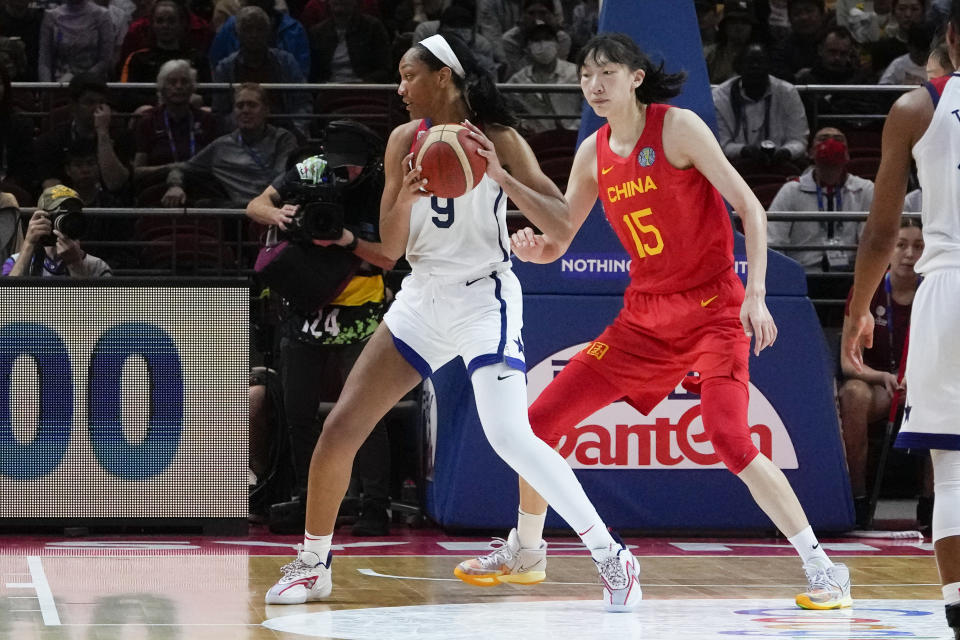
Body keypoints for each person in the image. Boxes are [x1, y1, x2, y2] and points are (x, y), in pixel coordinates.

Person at [455, 32, 852, 611]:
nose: (594, 84)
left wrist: (757, 293)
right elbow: (562, 235)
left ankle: (824, 568)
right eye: (587, 75)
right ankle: (528, 550)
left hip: (715, 308)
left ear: (635, 77)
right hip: (644, 319)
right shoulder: (592, 152)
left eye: (607, 73)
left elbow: (750, 207)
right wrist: (524, 220)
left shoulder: (677, 128)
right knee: (536, 424)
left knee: (729, 437)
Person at [264, 33, 642, 610]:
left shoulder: (499, 138)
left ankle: (613, 557)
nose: (400, 88)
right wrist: (407, 196)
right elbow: (390, 251)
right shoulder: (400, 140)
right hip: (422, 297)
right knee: (340, 426)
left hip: (482, 296)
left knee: (511, 434)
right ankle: (314, 564)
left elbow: (564, 228)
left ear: (443, 76)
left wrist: (501, 176)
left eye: (408, 76)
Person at [844, 3, 960, 636]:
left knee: (953, 471)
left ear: (948, 39)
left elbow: (884, 230)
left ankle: (959, 601)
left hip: (948, 286)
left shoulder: (917, 108)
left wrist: (860, 309)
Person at [246, 122, 397, 536]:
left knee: (366, 411)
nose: (340, 173)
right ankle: (308, 498)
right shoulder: (311, 168)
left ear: (367, 164)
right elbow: (254, 205)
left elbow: (388, 258)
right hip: (305, 305)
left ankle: (374, 504)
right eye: (335, 165)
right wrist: (278, 213)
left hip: (361, 310)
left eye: (348, 168)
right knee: (298, 412)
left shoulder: (385, 183)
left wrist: (346, 240)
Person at [839, 219, 923, 526]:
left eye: (918, 246)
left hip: (923, 388)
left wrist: (920, 379)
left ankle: (930, 506)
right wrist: (882, 377)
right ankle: (856, 499)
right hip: (881, 387)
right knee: (853, 393)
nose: (909, 254)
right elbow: (850, 364)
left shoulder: (936, 292)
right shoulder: (866, 291)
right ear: (888, 250)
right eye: (901, 245)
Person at [162, 83, 297, 207]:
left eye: (252, 105)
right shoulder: (221, 146)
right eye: (240, 106)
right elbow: (182, 168)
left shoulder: (283, 139)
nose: (245, 110)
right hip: (240, 213)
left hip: (274, 207)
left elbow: (283, 176)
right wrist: (175, 185)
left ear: (266, 110)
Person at [767, 127, 876, 273]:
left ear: (847, 154)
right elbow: (773, 240)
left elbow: (870, 242)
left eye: (838, 140)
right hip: (803, 273)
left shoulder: (865, 189)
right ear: (811, 153)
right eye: (823, 139)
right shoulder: (792, 190)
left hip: (850, 276)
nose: (831, 143)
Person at [712, 42, 809, 173]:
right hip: (735, 168)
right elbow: (720, 144)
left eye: (760, 62)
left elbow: (799, 140)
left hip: (782, 164)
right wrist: (744, 151)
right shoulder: (718, 97)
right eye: (750, 63)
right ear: (738, 67)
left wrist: (786, 151)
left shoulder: (787, 92)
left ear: (770, 66)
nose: (755, 67)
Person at [214, 6, 310, 137]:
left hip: (283, 132)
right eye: (248, 29)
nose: (254, 35)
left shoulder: (286, 61)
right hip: (239, 135)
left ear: (268, 32)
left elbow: (302, 102)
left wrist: (296, 130)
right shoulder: (225, 68)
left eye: (259, 29)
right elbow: (220, 112)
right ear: (237, 34)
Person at [33, 74, 131, 194]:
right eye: (89, 103)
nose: (97, 109)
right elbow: (51, 187)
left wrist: (103, 133)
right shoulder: (51, 141)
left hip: (111, 207)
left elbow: (115, 183)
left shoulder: (121, 136)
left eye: (101, 103)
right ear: (73, 106)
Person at [132, 59, 218, 194]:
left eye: (184, 82)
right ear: (162, 88)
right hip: (158, 190)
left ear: (192, 88)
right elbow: (138, 171)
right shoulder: (148, 121)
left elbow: (217, 165)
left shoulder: (207, 120)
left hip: (200, 191)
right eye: (172, 82)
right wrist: (171, 168)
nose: (179, 86)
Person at [3, 185, 112, 277]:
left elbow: (97, 302)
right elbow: (6, 300)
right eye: (58, 214)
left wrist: (75, 265)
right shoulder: (16, 261)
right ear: (41, 218)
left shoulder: (97, 266)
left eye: (72, 215)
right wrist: (29, 244)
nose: (68, 222)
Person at [506, 22, 581, 134]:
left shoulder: (576, 73)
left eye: (547, 39)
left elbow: (590, 109)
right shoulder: (517, 81)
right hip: (536, 142)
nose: (543, 44)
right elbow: (507, 110)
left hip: (576, 137)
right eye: (536, 40)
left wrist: (574, 130)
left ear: (557, 44)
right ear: (528, 48)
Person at [308, 0, 392, 83]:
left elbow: (385, 68)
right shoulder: (317, 32)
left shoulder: (373, 27)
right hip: (327, 90)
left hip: (366, 89)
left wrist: (363, 82)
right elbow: (314, 73)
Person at [37, 0, 114, 81]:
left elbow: (105, 60)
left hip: (92, 86)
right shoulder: (51, 16)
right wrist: (47, 89)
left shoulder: (101, 15)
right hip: (59, 85)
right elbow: (45, 61)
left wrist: (78, 81)